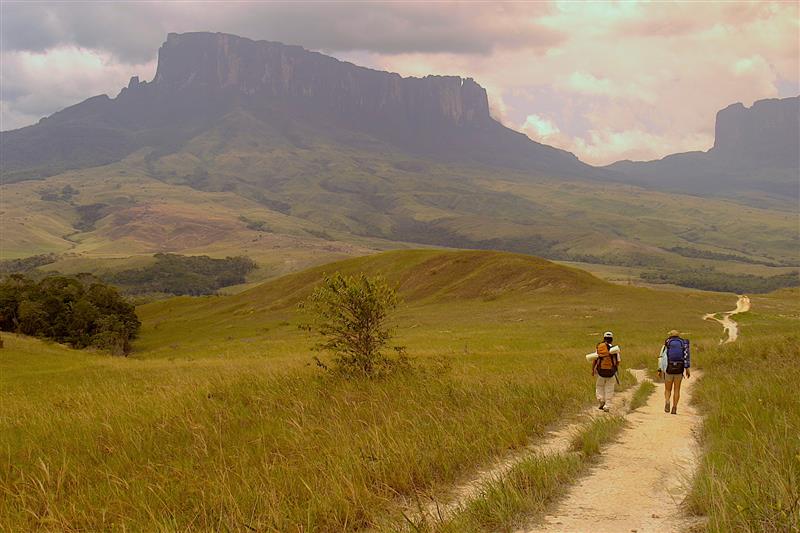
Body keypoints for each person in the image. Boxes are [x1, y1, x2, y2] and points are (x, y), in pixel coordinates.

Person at [661, 329, 690, 414]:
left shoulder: (667, 342)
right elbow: (686, 356)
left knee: (667, 389)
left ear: (670, 335)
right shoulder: (683, 343)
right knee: (677, 390)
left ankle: (667, 401)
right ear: (678, 335)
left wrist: (661, 369)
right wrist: (687, 369)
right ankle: (674, 408)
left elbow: (663, 357)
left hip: (669, 368)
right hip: (679, 369)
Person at [592, 331, 620, 412]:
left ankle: (601, 400)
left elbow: (595, 359)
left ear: (604, 338)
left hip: (601, 372)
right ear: (612, 339)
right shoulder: (614, 349)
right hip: (611, 373)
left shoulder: (600, 347)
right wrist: (614, 368)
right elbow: (618, 361)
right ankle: (607, 405)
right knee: (609, 388)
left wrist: (593, 370)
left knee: (599, 386)